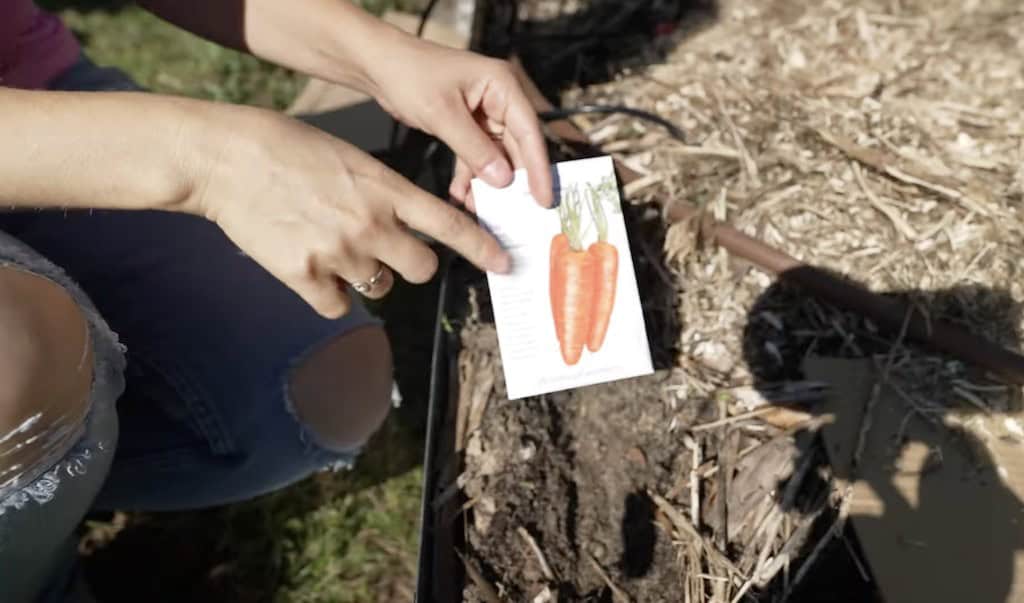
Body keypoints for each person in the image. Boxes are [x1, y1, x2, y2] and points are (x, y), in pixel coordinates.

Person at [0, 0, 553, 600]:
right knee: (15, 355)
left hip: (33, 92)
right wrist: (212, 163)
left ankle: (47, 491)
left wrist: (380, 58)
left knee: (324, 390)